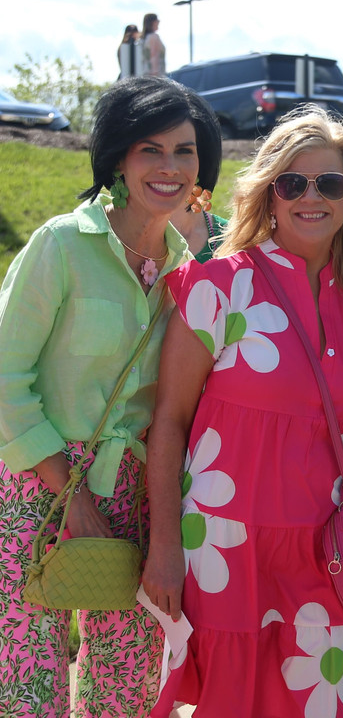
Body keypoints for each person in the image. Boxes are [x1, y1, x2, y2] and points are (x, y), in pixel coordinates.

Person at [143, 107, 343, 717]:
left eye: (329, 183)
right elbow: (169, 422)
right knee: (231, 701)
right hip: (227, 544)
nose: (311, 196)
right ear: (269, 195)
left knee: (318, 700)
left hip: (327, 548)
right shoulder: (218, 284)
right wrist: (165, 546)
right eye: (292, 183)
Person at [0, 75, 220, 716]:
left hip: (137, 489)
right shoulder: (62, 244)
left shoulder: (188, 269)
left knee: (126, 682)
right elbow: (6, 377)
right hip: (35, 487)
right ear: (118, 158)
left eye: (184, 151)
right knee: (27, 679)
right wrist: (67, 494)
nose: (169, 166)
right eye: (150, 149)